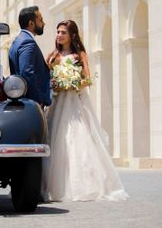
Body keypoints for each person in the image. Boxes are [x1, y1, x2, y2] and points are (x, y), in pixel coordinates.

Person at [42, 20, 129, 202]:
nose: (59, 35)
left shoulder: (79, 54)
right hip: (57, 104)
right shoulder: (52, 56)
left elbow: (88, 79)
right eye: (57, 32)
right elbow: (45, 78)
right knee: (57, 140)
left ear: (72, 35)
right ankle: (53, 185)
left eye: (63, 32)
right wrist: (55, 83)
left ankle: (86, 185)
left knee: (77, 139)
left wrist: (72, 83)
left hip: (74, 103)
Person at [8, 6, 52, 107]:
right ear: (31, 23)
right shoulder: (27, 42)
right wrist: (38, 99)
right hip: (30, 103)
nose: (43, 23)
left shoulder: (18, 41)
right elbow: (26, 72)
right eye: (41, 20)